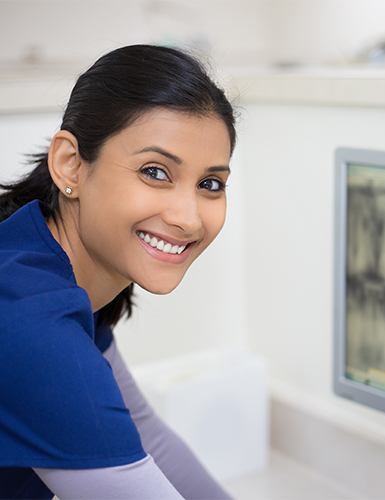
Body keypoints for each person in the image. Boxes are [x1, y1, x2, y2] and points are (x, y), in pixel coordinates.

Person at [0, 44, 235, 499]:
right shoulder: (32, 322)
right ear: (70, 164)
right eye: (155, 171)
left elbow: (150, 439)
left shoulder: (48, 265)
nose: (189, 218)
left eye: (210, 184)